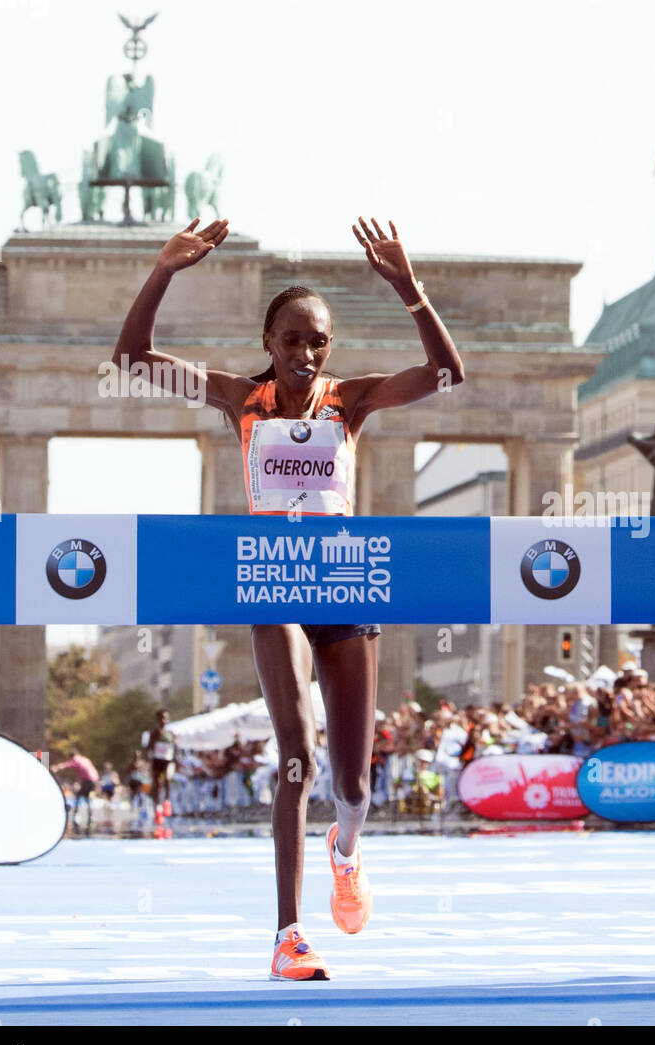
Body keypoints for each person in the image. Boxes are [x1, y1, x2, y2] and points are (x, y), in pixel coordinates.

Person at [113, 214, 463, 980]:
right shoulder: (241, 398)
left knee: (353, 781)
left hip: (341, 585)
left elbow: (445, 374)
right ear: (270, 343)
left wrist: (410, 289)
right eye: (292, 340)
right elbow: (131, 358)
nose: (305, 354)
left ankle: (346, 849)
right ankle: (287, 935)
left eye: (318, 342)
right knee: (297, 758)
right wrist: (165, 270)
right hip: (272, 584)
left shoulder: (352, 402)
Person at [145, 708, 177, 823]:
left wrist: (174, 758)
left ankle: (167, 801)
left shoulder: (171, 733)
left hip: (168, 761)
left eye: (166, 718)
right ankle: (158, 808)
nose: (163, 720)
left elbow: (175, 747)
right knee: (158, 784)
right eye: (161, 718)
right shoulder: (154, 733)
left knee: (167, 779)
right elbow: (149, 747)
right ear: (158, 719)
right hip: (157, 761)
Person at [53, 750, 99, 828]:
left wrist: (57, 767)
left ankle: (77, 816)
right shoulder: (85, 759)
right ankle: (90, 816)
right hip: (94, 780)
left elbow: (69, 765)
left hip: (88, 781)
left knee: (79, 796)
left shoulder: (76, 759)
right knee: (86, 798)